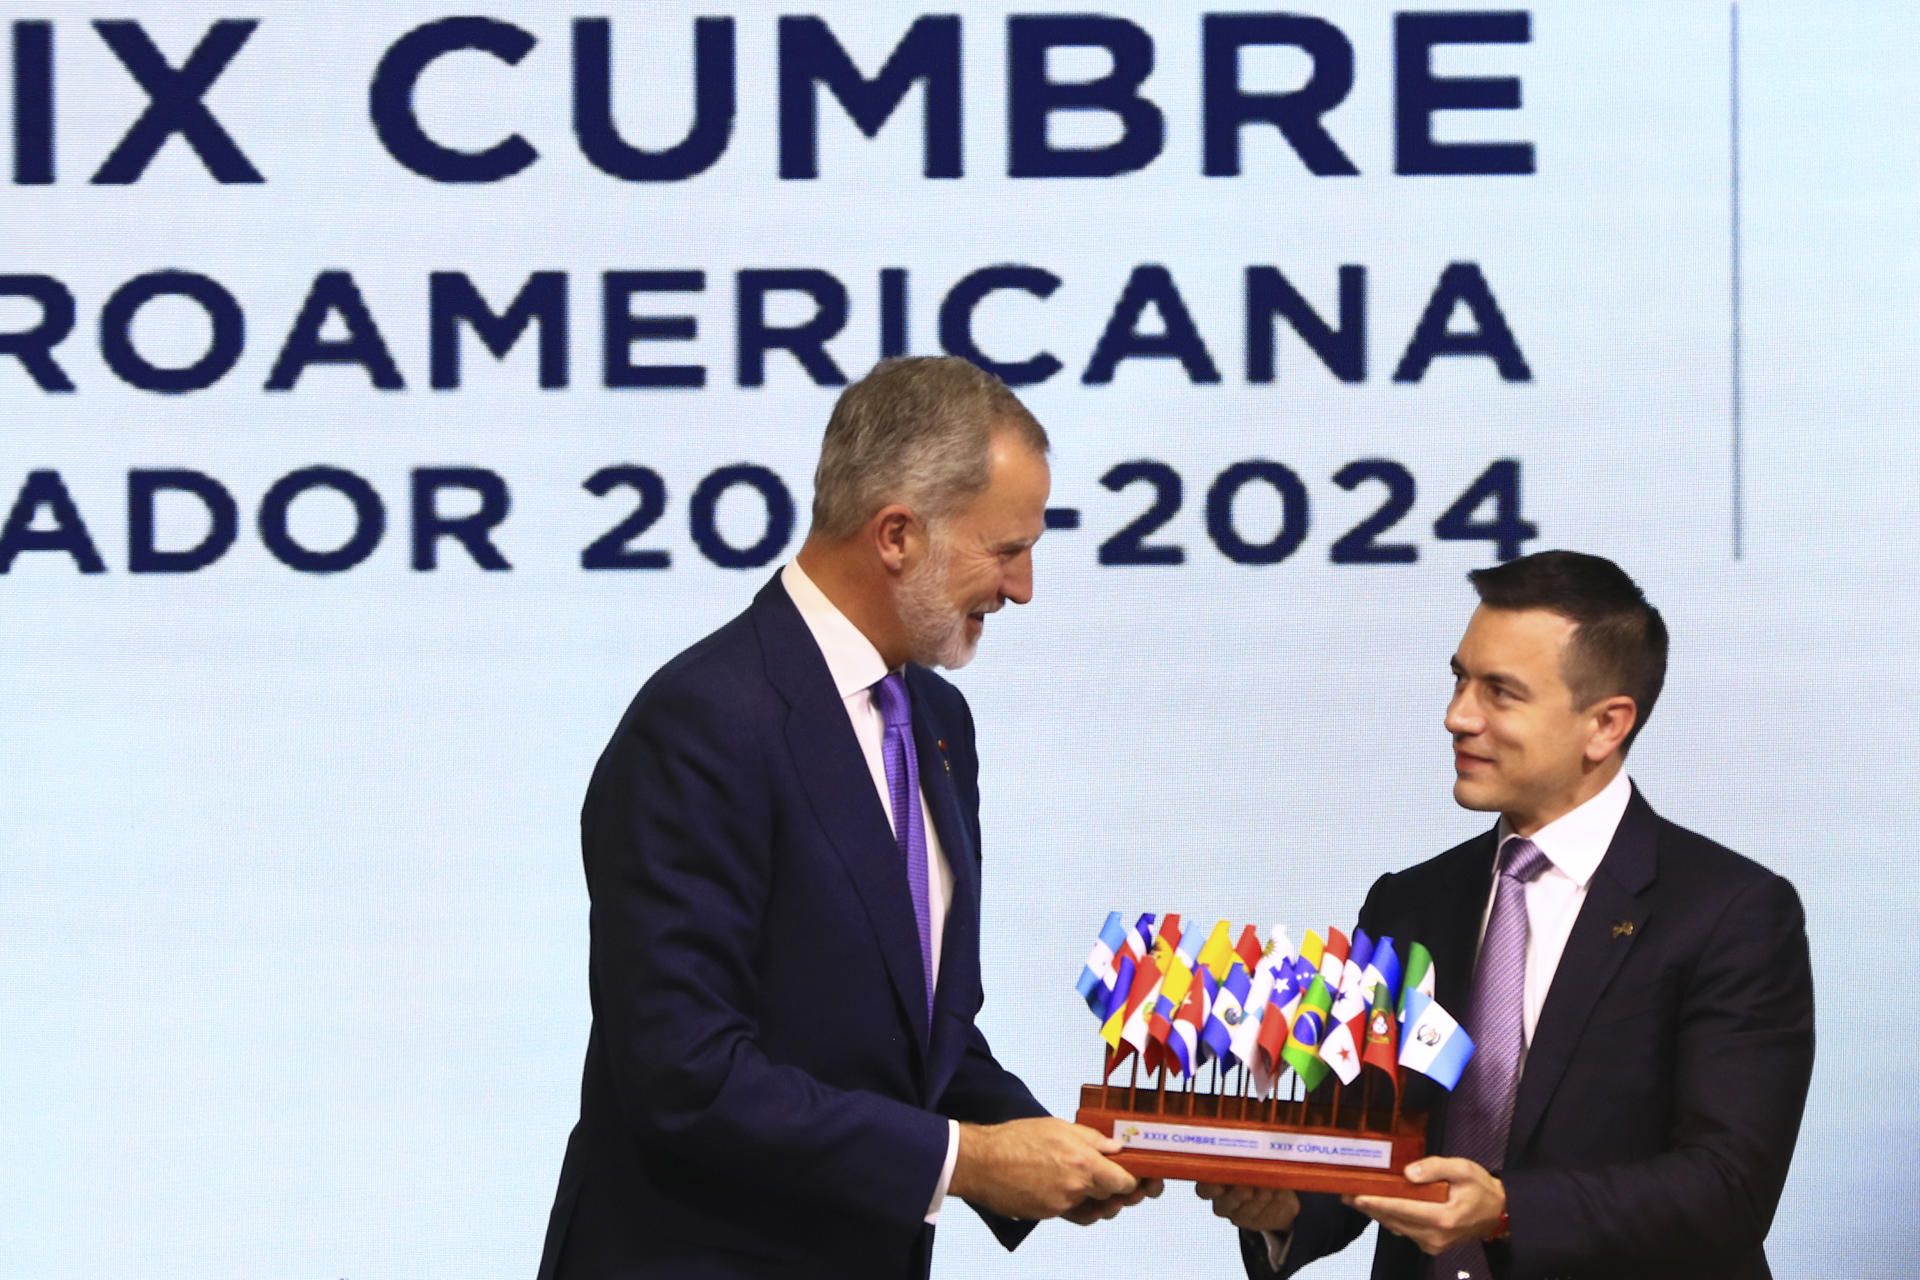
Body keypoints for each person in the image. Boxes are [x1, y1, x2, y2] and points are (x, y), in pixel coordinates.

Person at [536, 356, 1154, 1280]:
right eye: (1005, 549)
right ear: (897, 534)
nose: (1023, 587)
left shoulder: (937, 721)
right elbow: (687, 1072)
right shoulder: (706, 722)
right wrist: (972, 1162)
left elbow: (912, 1036)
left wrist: (1051, 1146)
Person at [1199, 550, 1814, 1280]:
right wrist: (1288, 1207)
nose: (1457, 715)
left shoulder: (1731, 913)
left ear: (1605, 725)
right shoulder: (1409, 902)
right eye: (1460, 677)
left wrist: (1505, 1208)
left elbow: (1727, 1188)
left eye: (1501, 692)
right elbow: (1359, 1140)